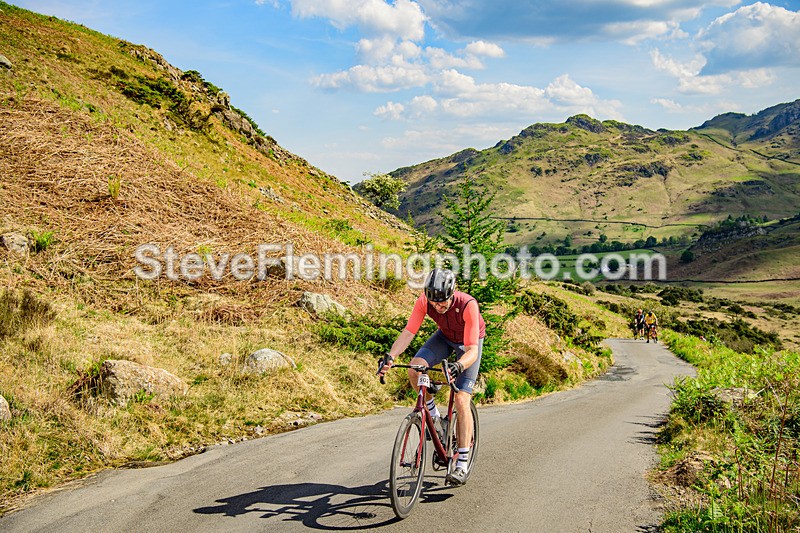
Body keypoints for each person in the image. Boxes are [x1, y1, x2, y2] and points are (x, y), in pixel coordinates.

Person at [379, 268, 485, 486]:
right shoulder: (424, 302)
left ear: (452, 292)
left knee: (461, 399)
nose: (439, 307)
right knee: (414, 368)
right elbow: (409, 332)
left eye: (443, 302)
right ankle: (436, 419)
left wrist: (459, 365)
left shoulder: (467, 305)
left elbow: (472, 350)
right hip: (444, 339)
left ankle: (461, 463)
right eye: (434, 303)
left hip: (469, 344)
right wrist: (391, 356)